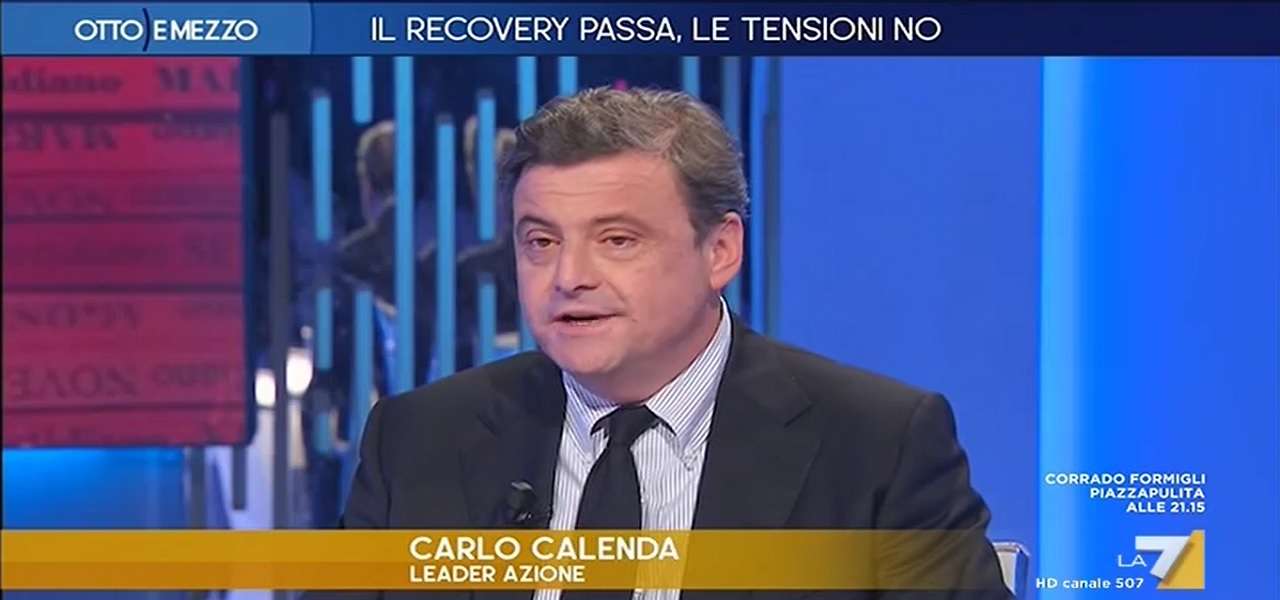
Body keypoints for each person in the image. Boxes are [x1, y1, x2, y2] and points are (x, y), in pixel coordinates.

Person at [330, 88, 1011, 599]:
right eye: (541, 241)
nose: (568, 277)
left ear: (720, 250)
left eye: (617, 239)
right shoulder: (418, 440)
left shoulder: (876, 447)